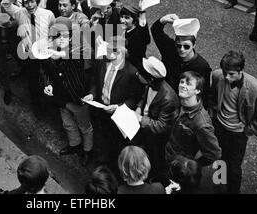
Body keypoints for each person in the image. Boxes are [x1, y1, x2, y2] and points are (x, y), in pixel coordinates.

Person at [209, 51, 257, 194]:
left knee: (234, 167)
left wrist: (247, 130)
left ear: (241, 71)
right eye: (225, 73)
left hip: (238, 134)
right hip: (219, 126)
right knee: (218, 159)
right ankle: (219, 187)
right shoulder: (218, 75)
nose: (227, 77)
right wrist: (212, 113)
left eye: (231, 74)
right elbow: (212, 95)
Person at [82, 37, 142, 169]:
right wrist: (92, 94)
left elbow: (133, 99)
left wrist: (118, 107)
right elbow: (95, 82)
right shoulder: (101, 63)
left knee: (115, 142)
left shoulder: (131, 72)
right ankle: (101, 162)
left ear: (122, 51)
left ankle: (113, 166)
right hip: (100, 110)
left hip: (117, 116)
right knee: (101, 137)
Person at [41, 17, 93, 165]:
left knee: (85, 127)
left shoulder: (77, 48)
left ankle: (88, 150)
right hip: (61, 97)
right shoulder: (51, 47)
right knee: (68, 124)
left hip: (77, 96)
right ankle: (74, 145)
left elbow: (83, 52)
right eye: (58, 35)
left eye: (64, 35)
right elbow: (44, 69)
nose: (61, 38)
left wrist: (62, 54)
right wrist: (47, 84)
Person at [132, 56, 179, 183]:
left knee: (155, 161)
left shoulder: (169, 99)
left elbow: (162, 126)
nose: (138, 74)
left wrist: (141, 119)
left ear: (151, 79)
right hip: (145, 128)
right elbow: (144, 98)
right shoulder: (151, 85)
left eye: (142, 73)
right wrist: (138, 108)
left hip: (156, 140)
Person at [165, 71, 222, 166]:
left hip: (180, 169)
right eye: (182, 82)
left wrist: (190, 165)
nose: (183, 85)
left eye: (188, 84)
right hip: (169, 156)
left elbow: (214, 154)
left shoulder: (202, 124)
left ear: (197, 90)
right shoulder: (180, 103)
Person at [151, 14, 211, 102]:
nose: (181, 50)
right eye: (178, 46)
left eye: (186, 46)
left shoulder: (202, 66)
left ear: (194, 45)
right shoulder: (170, 49)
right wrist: (163, 20)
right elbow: (156, 31)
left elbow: (204, 91)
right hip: (164, 94)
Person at [120, 5, 150, 70]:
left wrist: (125, 52)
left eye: (127, 18)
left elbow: (146, 38)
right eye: (122, 17)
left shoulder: (138, 35)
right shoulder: (126, 30)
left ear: (135, 21)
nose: (122, 20)